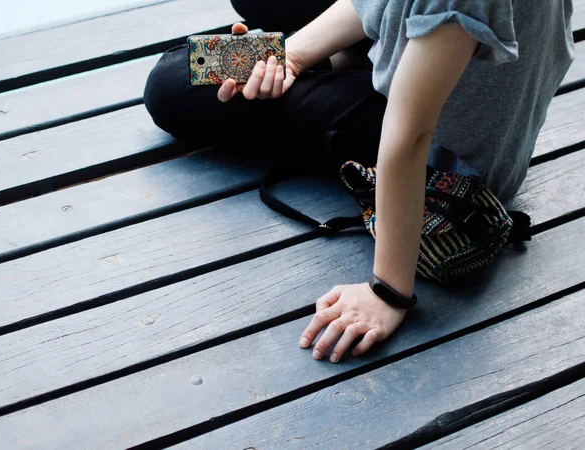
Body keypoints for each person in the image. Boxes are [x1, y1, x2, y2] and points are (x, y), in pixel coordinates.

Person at [143, 0, 574, 364]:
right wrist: (291, 56)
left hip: (442, 150)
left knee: (176, 79)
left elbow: (410, 135)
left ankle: (337, 71)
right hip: (436, 72)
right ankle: (338, 62)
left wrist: (389, 292)